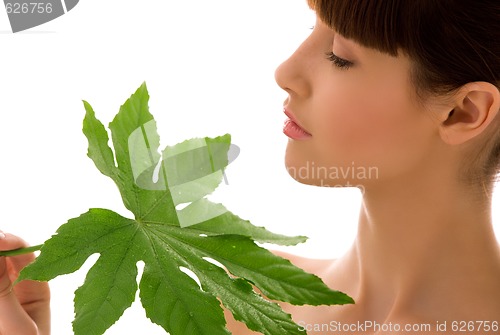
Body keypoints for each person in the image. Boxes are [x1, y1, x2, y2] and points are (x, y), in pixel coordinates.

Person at [1, 0, 499, 334]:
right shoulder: (236, 299)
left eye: (341, 57)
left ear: (463, 112)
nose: (286, 72)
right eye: (311, 29)